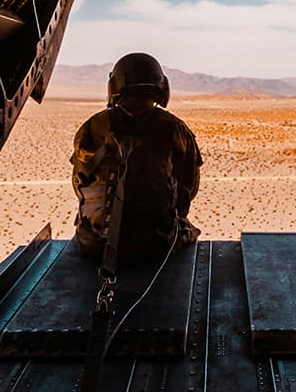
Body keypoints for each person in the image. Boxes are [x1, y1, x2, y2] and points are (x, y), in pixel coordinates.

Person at [70, 53, 202, 261]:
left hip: (94, 243)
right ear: (161, 88)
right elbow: (189, 188)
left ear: (114, 86)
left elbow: (79, 185)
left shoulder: (92, 127)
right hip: (155, 244)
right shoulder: (173, 128)